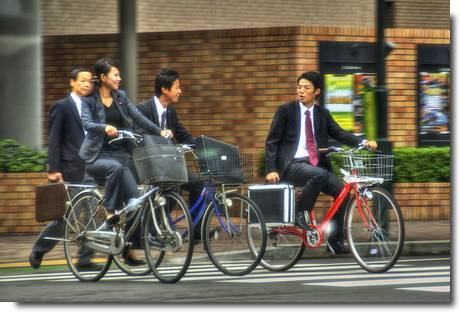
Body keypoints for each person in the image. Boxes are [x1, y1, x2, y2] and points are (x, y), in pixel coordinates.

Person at [265, 71, 377, 254]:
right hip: (292, 164)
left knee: (342, 192)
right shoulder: (286, 111)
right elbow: (272, 141)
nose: (301, 91)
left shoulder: (322, 114)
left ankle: (335, 241)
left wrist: (363, 142)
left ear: (316, 92)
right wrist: (271, 169)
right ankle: (300, 214)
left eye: (306, 88)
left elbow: (340, 133)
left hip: (315, 166)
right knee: (320, 174)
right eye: (299, 87)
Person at [79, 58, 168, 265]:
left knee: (135, 201)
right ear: (103, 77)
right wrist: (104, 127)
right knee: (116, 169)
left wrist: (159, 131)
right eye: (115, 75)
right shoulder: (89, 100)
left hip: (120, 156)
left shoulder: (120, 97)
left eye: (119, 75)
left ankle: (128, 249)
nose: (120, 78)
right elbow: (86, 122)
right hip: (96, 157)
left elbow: (137, 116)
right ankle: (110, 212)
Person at [29, 68, 99, 270]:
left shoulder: (93, 107)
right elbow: (54, 139)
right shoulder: (62, 106)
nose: (87, 84)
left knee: (93, 213)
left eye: (89, 81)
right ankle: (39, 249)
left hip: (92, 167)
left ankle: (85, 259)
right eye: (82, 80)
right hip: (71, 167)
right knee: (68, 217)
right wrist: (53, 167)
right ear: (72, 82)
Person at [135, 69, 203, 241]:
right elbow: (138, 134)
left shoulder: (170, 112)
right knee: (172, 190)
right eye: (177, 87)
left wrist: (202, 145)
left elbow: (183, 134)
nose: (180, 91)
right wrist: (161, 134)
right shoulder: (142, 109)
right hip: (151, 165)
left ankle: (196, 232)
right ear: (165, 89)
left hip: (169, 165)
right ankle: (153, 228)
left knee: (197, 184)